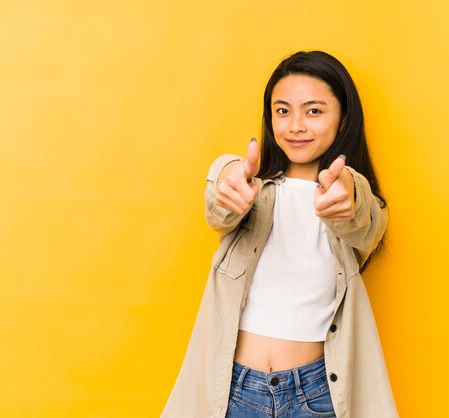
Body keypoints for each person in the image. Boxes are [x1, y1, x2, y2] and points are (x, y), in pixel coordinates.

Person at [162, 51, 398, 418]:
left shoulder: (353, 200)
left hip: (317, 395)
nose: (295, 126)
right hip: (234, 393)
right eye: (283, 110)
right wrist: (225, 174)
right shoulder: (250, 192)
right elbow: (220, 203)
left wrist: (348, 189)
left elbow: (364, 218)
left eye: (314, 111)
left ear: (344, 118)